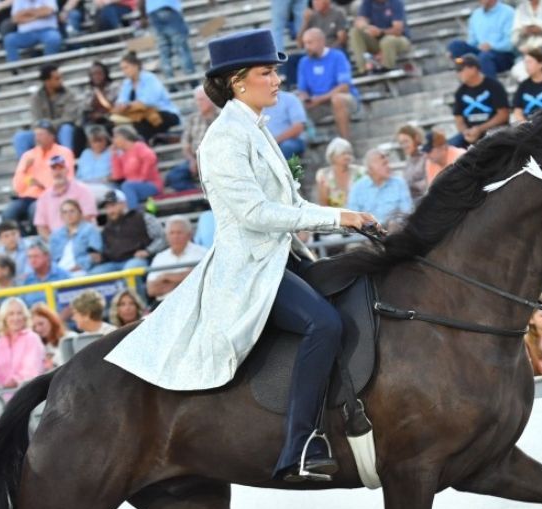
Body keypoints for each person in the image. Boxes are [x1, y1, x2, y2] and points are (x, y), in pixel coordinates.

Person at [104, 29, 379, 482]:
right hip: (248, 269)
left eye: (274, 72)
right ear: (237, 81)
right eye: (267, 72)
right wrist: (339, 217)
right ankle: (300, 445)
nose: (277, 80)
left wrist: (349, 219)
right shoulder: (223, 139)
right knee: (324, 324)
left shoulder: (256, 128)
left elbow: (290, 205)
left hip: (280, 257)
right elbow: (255, 213)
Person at [5, 120, 76, 226]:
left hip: (51, 195)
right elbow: (17, 188)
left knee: (34, 210)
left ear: (52, 136)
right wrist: (24, 169)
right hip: (28, 196)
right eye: (36, 135)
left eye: (41, 134)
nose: (37, 138)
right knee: (9, 213)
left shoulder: (63, 153)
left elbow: (67, 179)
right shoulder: (28, 156)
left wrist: (42, 185)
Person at [297, 28, 360, 140]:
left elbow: (344, 87)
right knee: (294, 104)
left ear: (321, 41)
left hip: (344, 99)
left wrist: (319, 99)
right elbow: (302, 90)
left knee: (337, 99)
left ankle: (345, 142)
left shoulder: (337, 56)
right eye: (305, 43)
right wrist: (306, 99)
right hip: (318, 104)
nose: (306, 47)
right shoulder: (304, 62)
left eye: (310, 43)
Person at [93, 189, 165, 278]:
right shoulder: (107, 228)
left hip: (137, 260)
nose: (110, 211)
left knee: (129, 271)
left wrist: (148, 251)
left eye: (113, 206)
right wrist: (100, 257)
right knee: (91, 276)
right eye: (107, 207)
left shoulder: (143, 217)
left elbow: (162, 238)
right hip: (113, 263)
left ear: (123, 204)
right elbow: (107, 251)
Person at [14, 64, 79, 162]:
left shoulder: (69, 94)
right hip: (43, 132)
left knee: (66, 129)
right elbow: (36, 120)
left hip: (60, 131)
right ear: (47, 81)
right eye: (57, 79)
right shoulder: (36, 97)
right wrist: (44, 130)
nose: (60, 81)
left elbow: (69, 118)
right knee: (20, 137)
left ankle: (67, 161)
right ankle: (26, 167)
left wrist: (48, 126)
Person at [113, 52, 181, 142]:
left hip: (163, 113)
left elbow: (150, 101)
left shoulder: (150, 78)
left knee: (140, 123)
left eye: (126, 68)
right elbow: (121, 101)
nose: (124, 71)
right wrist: (122, 106)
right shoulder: (127, 83)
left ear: (136, 66)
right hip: (139, 116)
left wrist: (129, 105)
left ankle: (149, 143)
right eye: (122, 69)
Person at [450, 53, 511, 148]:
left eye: (461, 70)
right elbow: (458, 119)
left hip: (495, 131)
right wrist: (466, 132)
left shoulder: (494, 86)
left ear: (473, 69)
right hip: (470, 134)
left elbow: (503, 115)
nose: (459, 73)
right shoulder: (460, 92)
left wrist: (480, 129)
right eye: (457, 70)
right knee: (451, 147)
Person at [448, 0, 517, 79]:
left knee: (484, 56)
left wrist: (492, 46)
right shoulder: (476, 15)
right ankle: (467, 79)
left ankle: (489, 86)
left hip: (503, 55)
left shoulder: (508, 13)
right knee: (455, 46)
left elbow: (512, 43)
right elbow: (472, 42)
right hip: (481, 53)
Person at [166, 87, 217, 191]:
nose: (198, 103)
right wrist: (192, 160)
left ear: (211, 99)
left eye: (201, 100)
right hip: (195, 159)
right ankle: (202, 195)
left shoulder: (222, 116)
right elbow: (185, 144)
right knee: (173, 177)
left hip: (216, 159)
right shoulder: (192, 119)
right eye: (197, 100)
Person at [34, 154, 98, 237]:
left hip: (82, 237)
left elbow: (88, 218)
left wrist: (72, 239)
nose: (58, 172)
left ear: (67, 170)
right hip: (57, 241)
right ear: (50, 172)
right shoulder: (44, 197)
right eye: (54, 169)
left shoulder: (82, 190)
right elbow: (41, 227)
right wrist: (54, 242)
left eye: (61, 168)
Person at [347, 148, 414, 227]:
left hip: (394, 230)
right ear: (371, 169)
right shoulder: (357, 188)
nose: (389, 167)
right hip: (368, 231)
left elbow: (407, 212)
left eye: (388, 163)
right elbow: (353, 217)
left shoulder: (399, 183)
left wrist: (396, 224)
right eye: (384, 164)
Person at [145, 216, 207, 300]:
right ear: (167, 236)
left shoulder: (202, 253)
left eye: (179, 232)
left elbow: (204, 279)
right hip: (164, 303)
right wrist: (187, 277)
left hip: (194, 300)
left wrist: (165, 276)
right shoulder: (159, 257)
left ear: (189, 235)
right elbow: (151, 290)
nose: (175, 236)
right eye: (172, 233)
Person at [0, 297, 45, 388]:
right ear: (4, 318)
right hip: (2, 392)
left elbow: (32, 371)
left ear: (25, 317)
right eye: (11, 314)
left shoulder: (32, 338)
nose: (16, 318)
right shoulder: (0, 342)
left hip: (27, 390)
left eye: (19, 313)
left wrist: (14, 381)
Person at [350, 0, 413, 71]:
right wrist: (367, 27)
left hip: (399, 39)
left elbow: (398, 30)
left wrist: (380, 32)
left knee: (387, 41)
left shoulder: (396, 2)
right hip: (377, 39)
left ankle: (386, 68)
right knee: (355, 32)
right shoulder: (368, 2)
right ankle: (364, 69)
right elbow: (359, 21)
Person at [109, 126, 162, 210]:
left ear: (124, 137)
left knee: (127, 186)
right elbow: (117, 176)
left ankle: (133, 213)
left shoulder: (139, 146)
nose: (113, 140)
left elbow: (151, 158)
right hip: (132, 186)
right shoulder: (123, 154)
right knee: (114, 189)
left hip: (150, 184)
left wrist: (142, 177)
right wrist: (114, 155)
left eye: (115, 137)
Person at [142, 0, 197, 79]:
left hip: (152, 12)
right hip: (168, 8)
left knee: (164, 50)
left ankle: (170, 81)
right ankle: (191, 79)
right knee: (182, 48)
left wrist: (143, 16)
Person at [48, 199, 102, 275]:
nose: (68, 215)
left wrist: (77, 267)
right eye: (65, 212)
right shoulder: (56, 235)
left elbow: (96, 256)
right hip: (58, 273)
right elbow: (51, 259)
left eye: (72, 211)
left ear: (80, 212)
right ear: (61, 216)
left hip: (81, 271)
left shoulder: (90, 230)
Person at [316, 137, 365, 206]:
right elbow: (323, 203)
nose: (347, 156)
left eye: (349, 153)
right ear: (332, 156)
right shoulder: (324, 175)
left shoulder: (360, 172)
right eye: (343, 153)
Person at [264, 90, 309, 162]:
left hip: (291, 141)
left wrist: (275, 141)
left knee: (285, 148)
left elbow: (298, 127)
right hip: (266, 143)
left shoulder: (290, 99)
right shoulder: (254, 103)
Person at [395, 124, 428, 199]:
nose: (404, 146)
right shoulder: (409, 161)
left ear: (415, 138)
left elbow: (430, 181)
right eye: (401, 143)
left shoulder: (426, 157)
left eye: (406, 141)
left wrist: (411, 186)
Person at [30, 301, 66, 368]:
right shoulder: (39, 347)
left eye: (41, 324)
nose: (38, 329)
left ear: (51, 320)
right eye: (34, 326)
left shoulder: (68, 339)